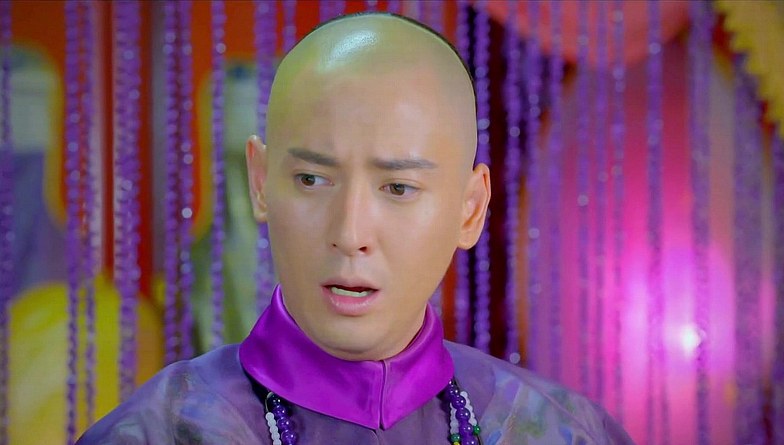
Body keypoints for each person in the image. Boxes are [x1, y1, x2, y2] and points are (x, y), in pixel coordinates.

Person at [78, 12, 634, 445]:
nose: (349, 233)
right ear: (260, 183)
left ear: (470, 209)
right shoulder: (163, 431)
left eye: (398, 188)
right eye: (312, 180)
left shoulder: (558, 430)